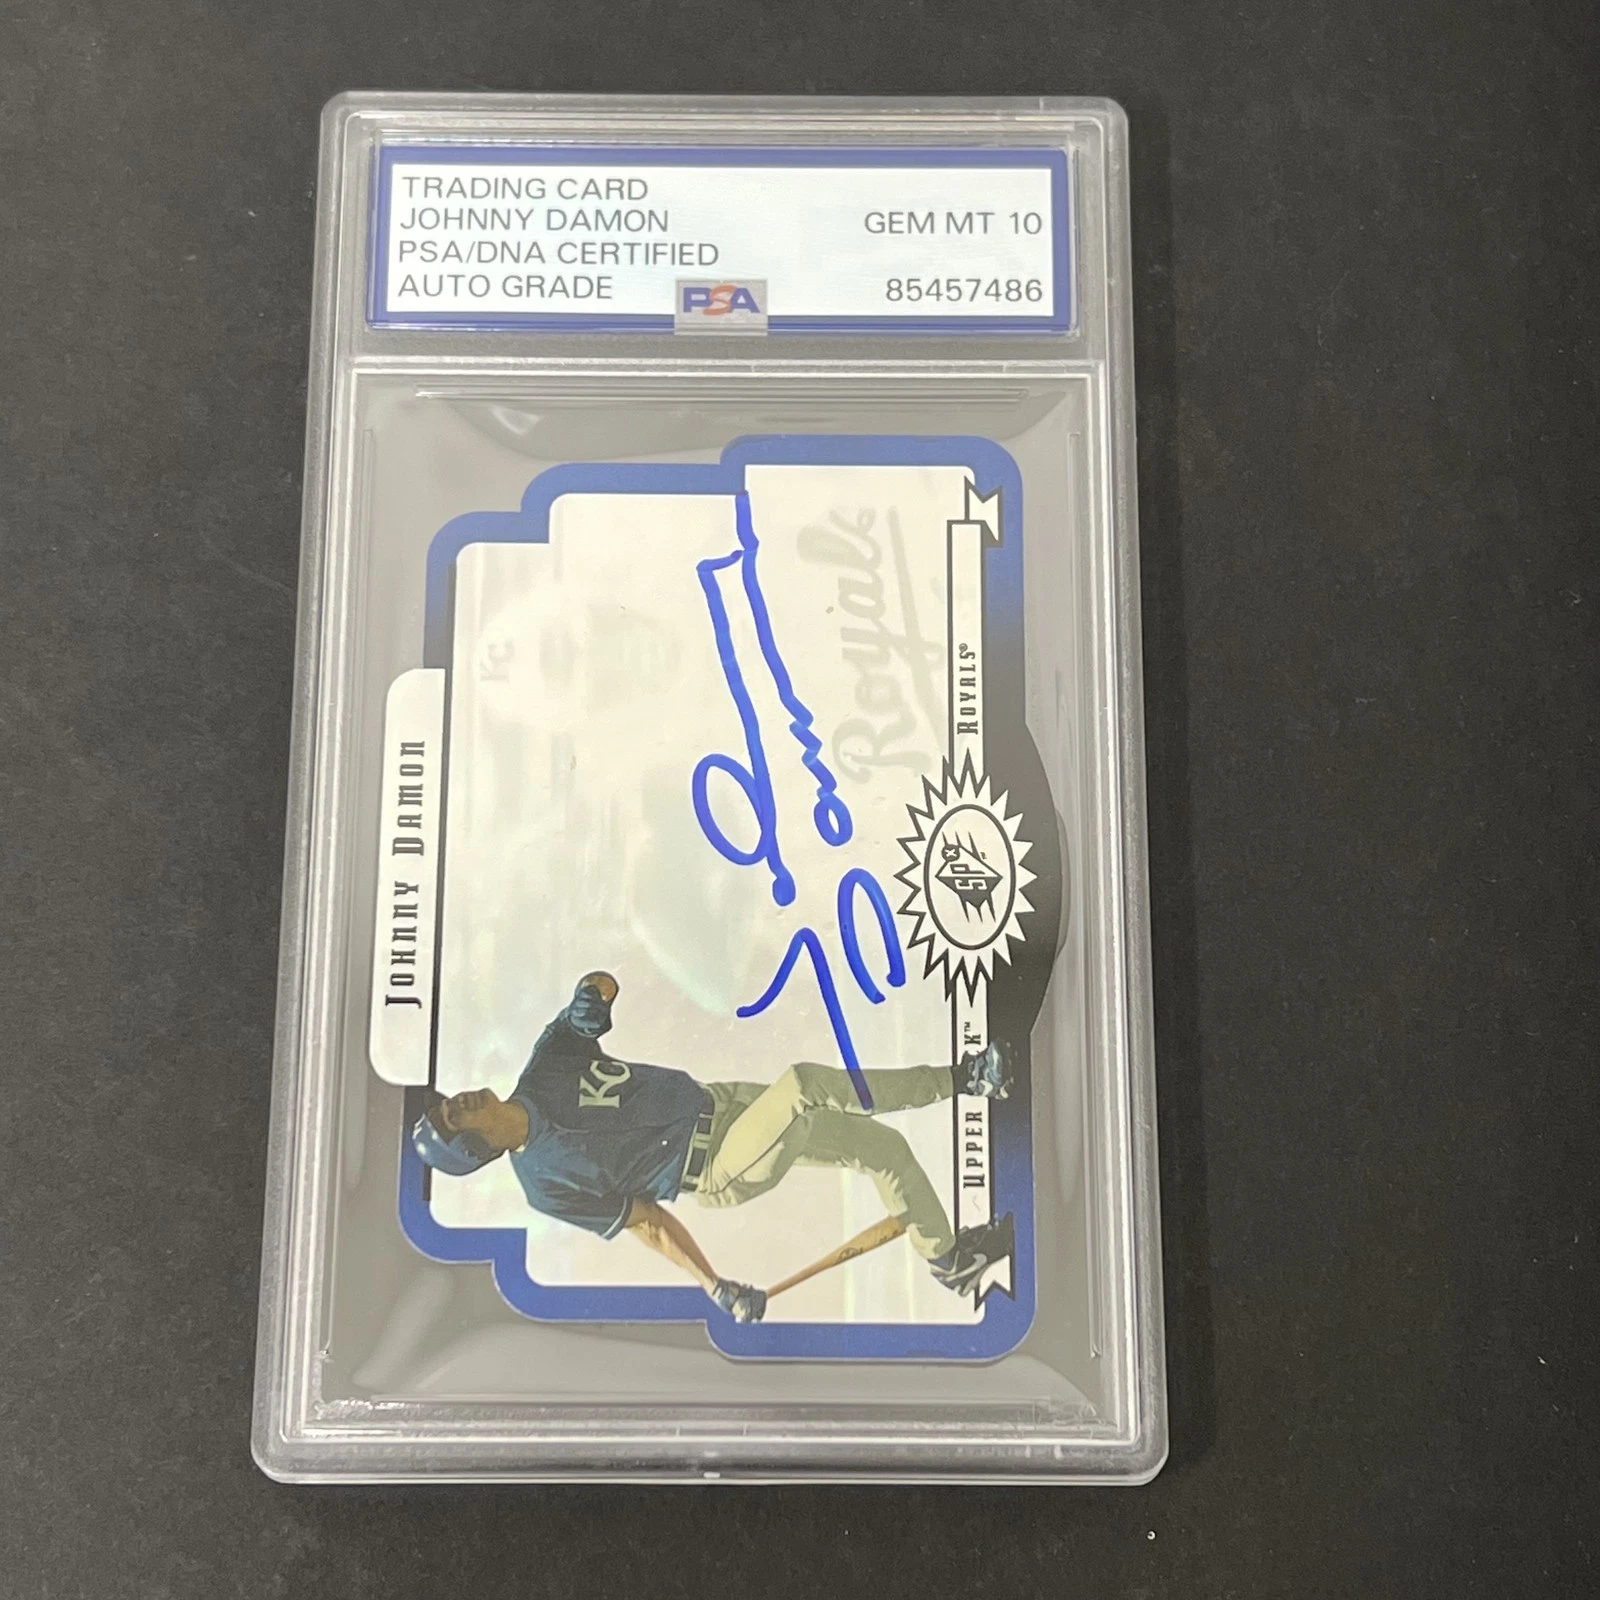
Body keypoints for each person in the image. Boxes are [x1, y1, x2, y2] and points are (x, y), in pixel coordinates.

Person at [412, 971, 1014, 1322]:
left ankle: (951, 1262)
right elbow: (647, 1222)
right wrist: (714, 1285)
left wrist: (591, 995)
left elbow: (599, 989)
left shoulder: (544, 1066)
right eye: (452, 1118)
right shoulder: (543, 1185)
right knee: (803, 1085)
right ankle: (968, 1079)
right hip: (717, 1167)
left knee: (884, 1150)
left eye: (448, 1103)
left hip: (723, 1103)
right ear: (472, 1150)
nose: (457, 1102)